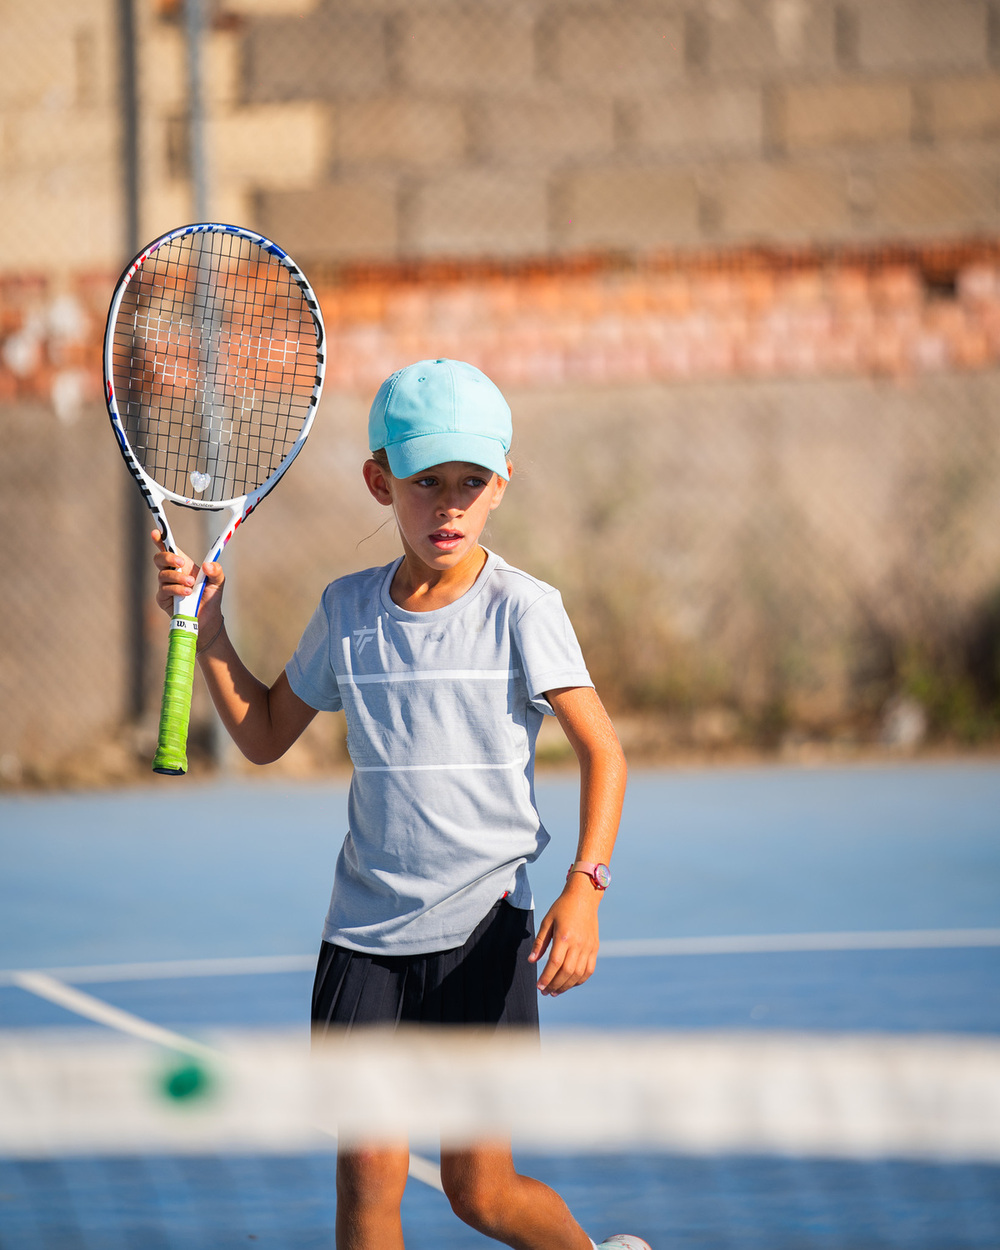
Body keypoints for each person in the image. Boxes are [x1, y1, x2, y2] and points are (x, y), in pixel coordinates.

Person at [153, 358, 645, 1250]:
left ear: (502, 483)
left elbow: (603, 750)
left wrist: (588, 886)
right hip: (364, 944)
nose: (448, 505)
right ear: (381, 482)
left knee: (478, 1192)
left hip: (484, 935)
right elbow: (263, 734)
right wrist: (211, 630)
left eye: (470, 482)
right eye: (426, 484)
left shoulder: (524, 610)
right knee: (368, 1186)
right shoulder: (347, 611)